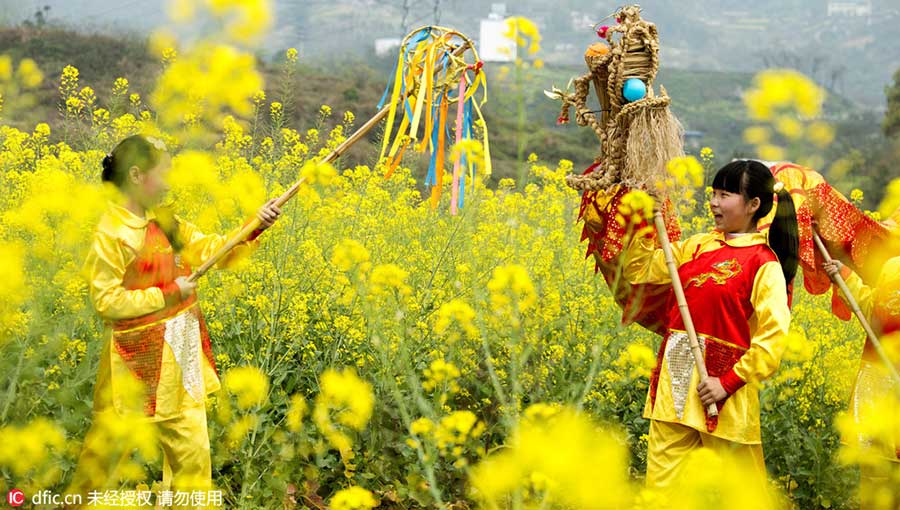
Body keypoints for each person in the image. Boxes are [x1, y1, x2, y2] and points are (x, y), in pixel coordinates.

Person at [66, 135, 282, 504]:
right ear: (136, 175)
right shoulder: (110, 233)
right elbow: (106, 301)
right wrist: (167, 294)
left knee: (194, 456)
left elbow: (212, 251)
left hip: (182, 344)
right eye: (162, 174)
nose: (168, 183)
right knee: (103, 459)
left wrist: (254, 226)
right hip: (133, 358)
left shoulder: (167, 223)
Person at [621, 159, 798, 490]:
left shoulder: (765, 264)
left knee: (738, 495)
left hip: (722, 395)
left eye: (725, 194)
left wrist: (727, 383)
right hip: (674, 385)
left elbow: (772, 342)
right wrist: (644, 220)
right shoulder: (698, 245)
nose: (714, 202)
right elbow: (639, 270)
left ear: (753, 205)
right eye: (714, 193)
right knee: (662, 494)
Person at [822, 256, 900, 507]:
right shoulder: (892, 266)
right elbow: (872, 308)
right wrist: (845, 276)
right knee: (876, 476)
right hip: (877, 389)